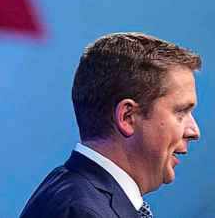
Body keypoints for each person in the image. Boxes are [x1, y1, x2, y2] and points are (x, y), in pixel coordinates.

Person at [18, 32, 202, 218]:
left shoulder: (77, 193)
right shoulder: (82, 211)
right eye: (181, 112)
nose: (194, 131)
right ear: (127, 117)